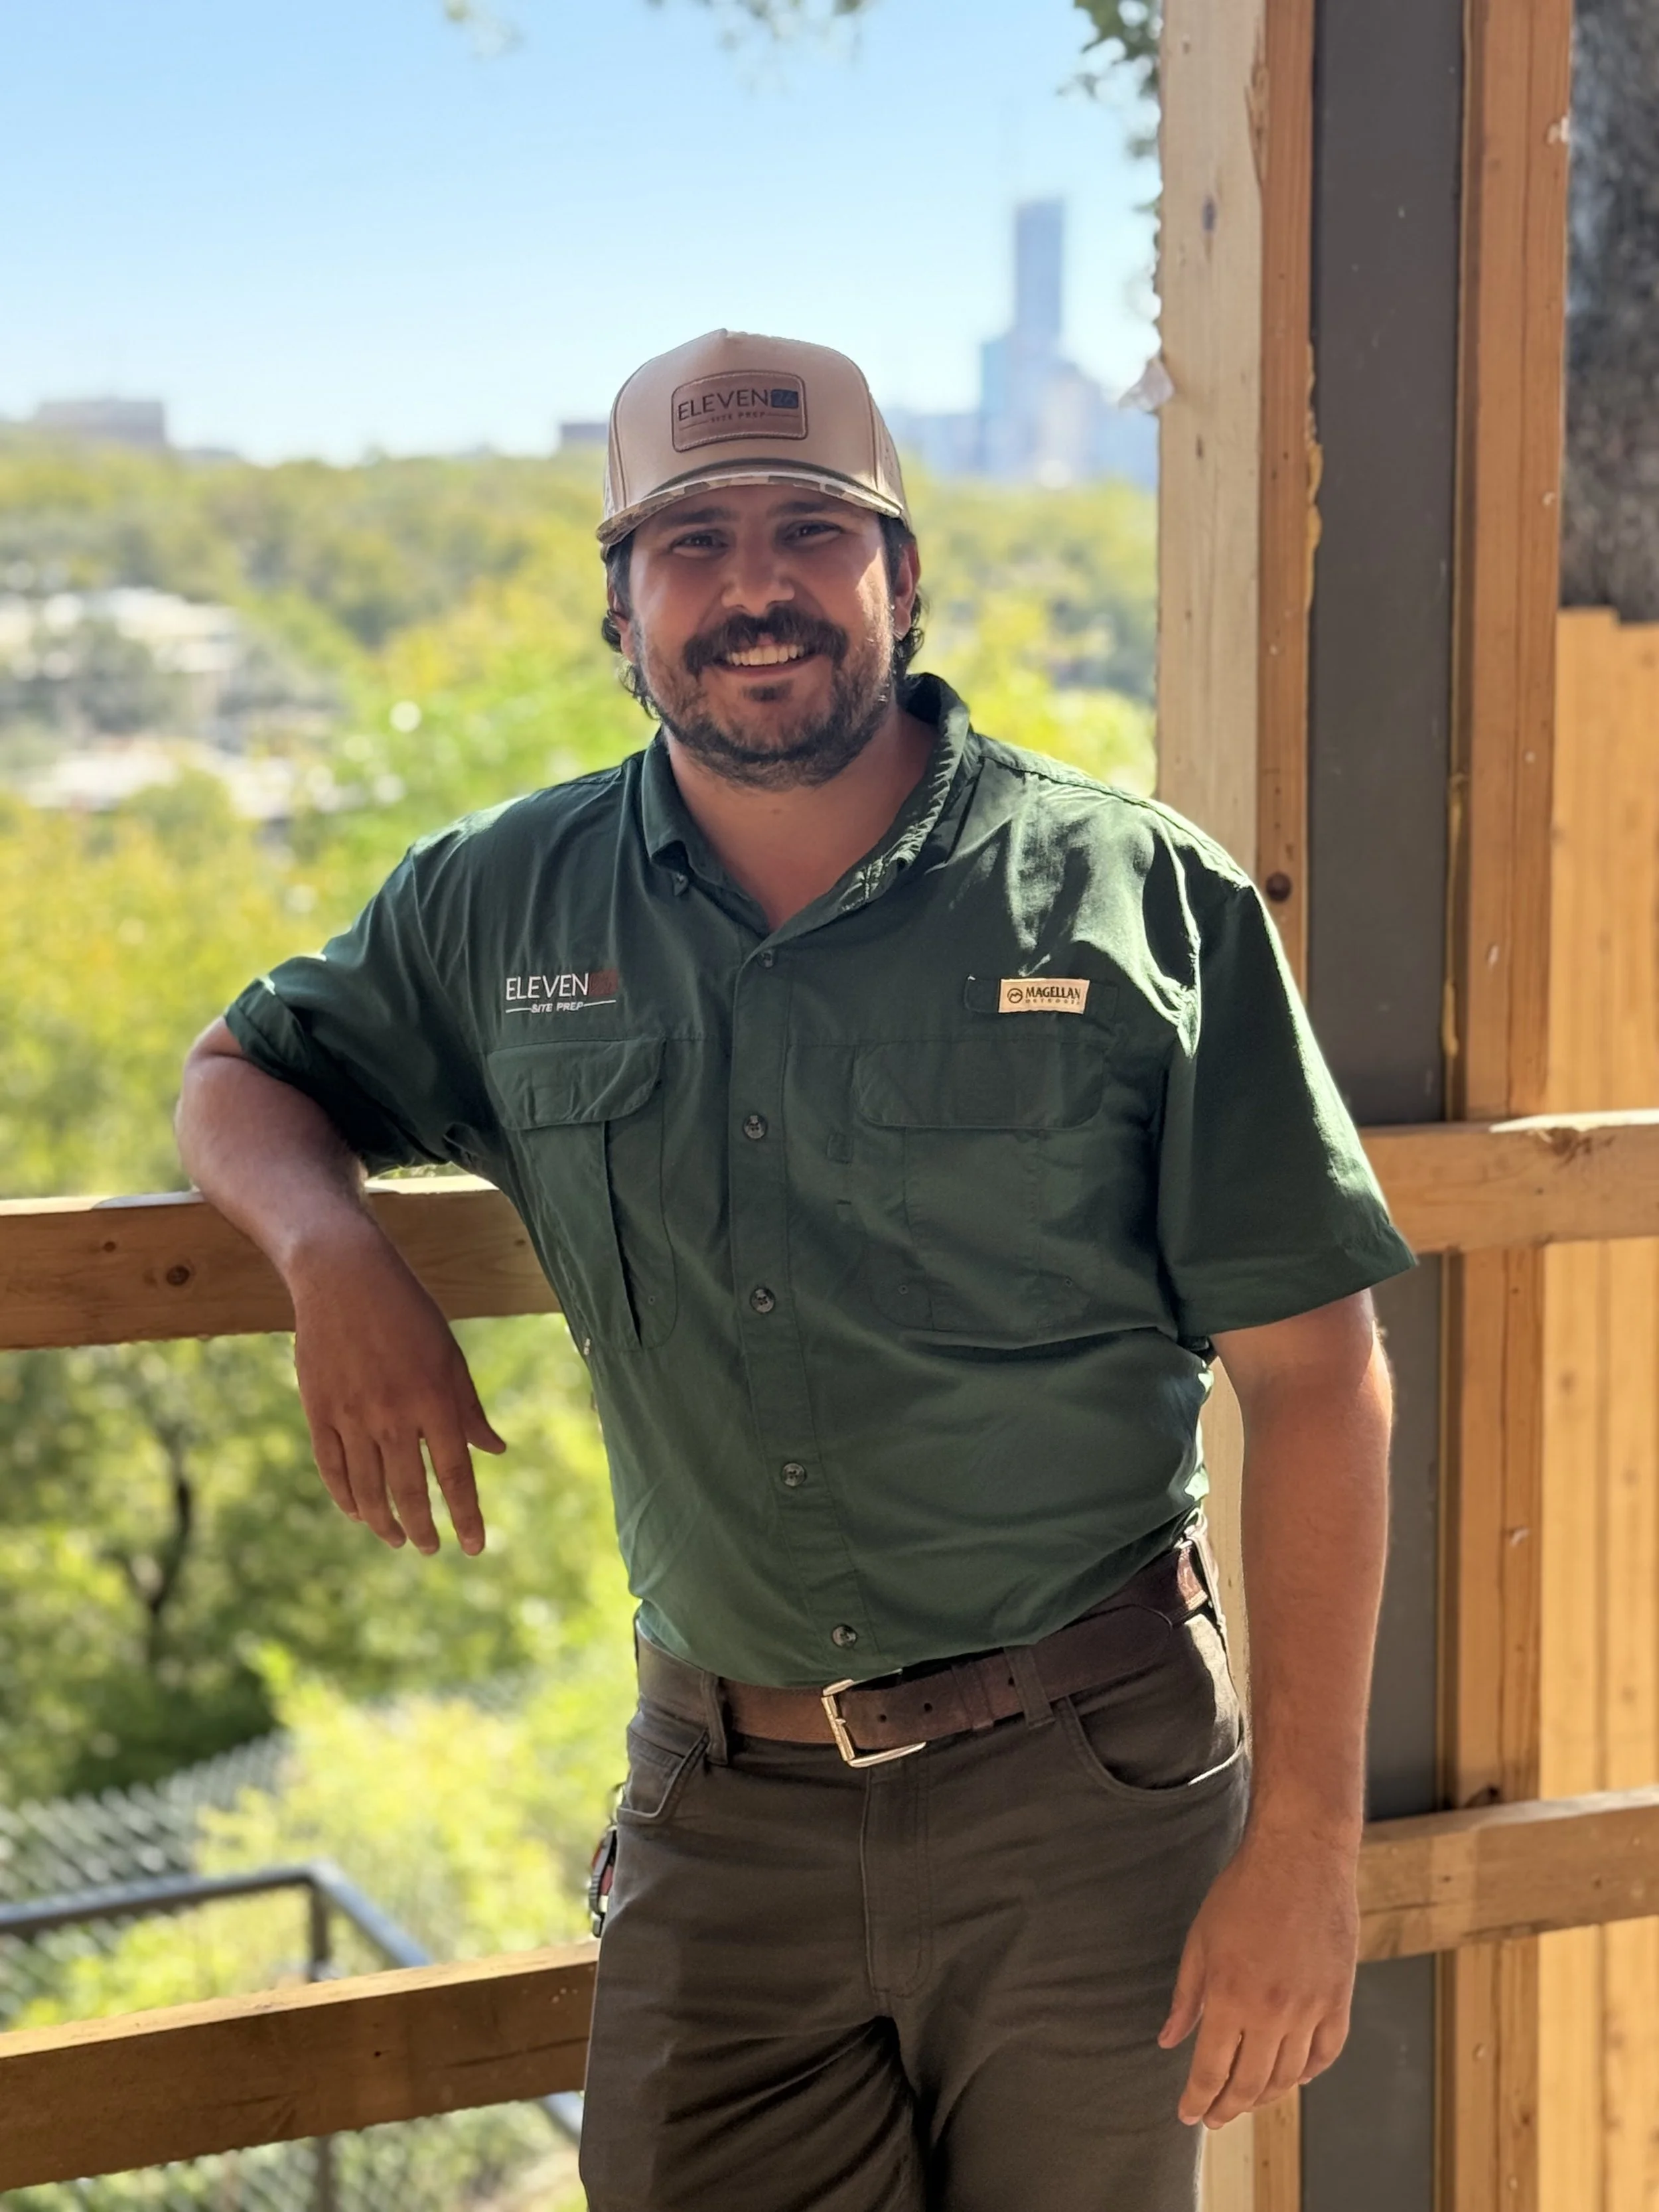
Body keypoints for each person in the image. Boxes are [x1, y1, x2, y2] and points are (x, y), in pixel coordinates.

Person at [176, 329, 1413, 2212]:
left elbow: (1318, 1380)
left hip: (1088, 1789)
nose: (752, 587)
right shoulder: (501, 902)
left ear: (899, 580)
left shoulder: (1136, 901)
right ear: (622, 610)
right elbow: (240, 1073)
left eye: (807, 531)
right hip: (719, 1800)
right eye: (689, 543)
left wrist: (1308, 1850)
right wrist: (330, 1244)